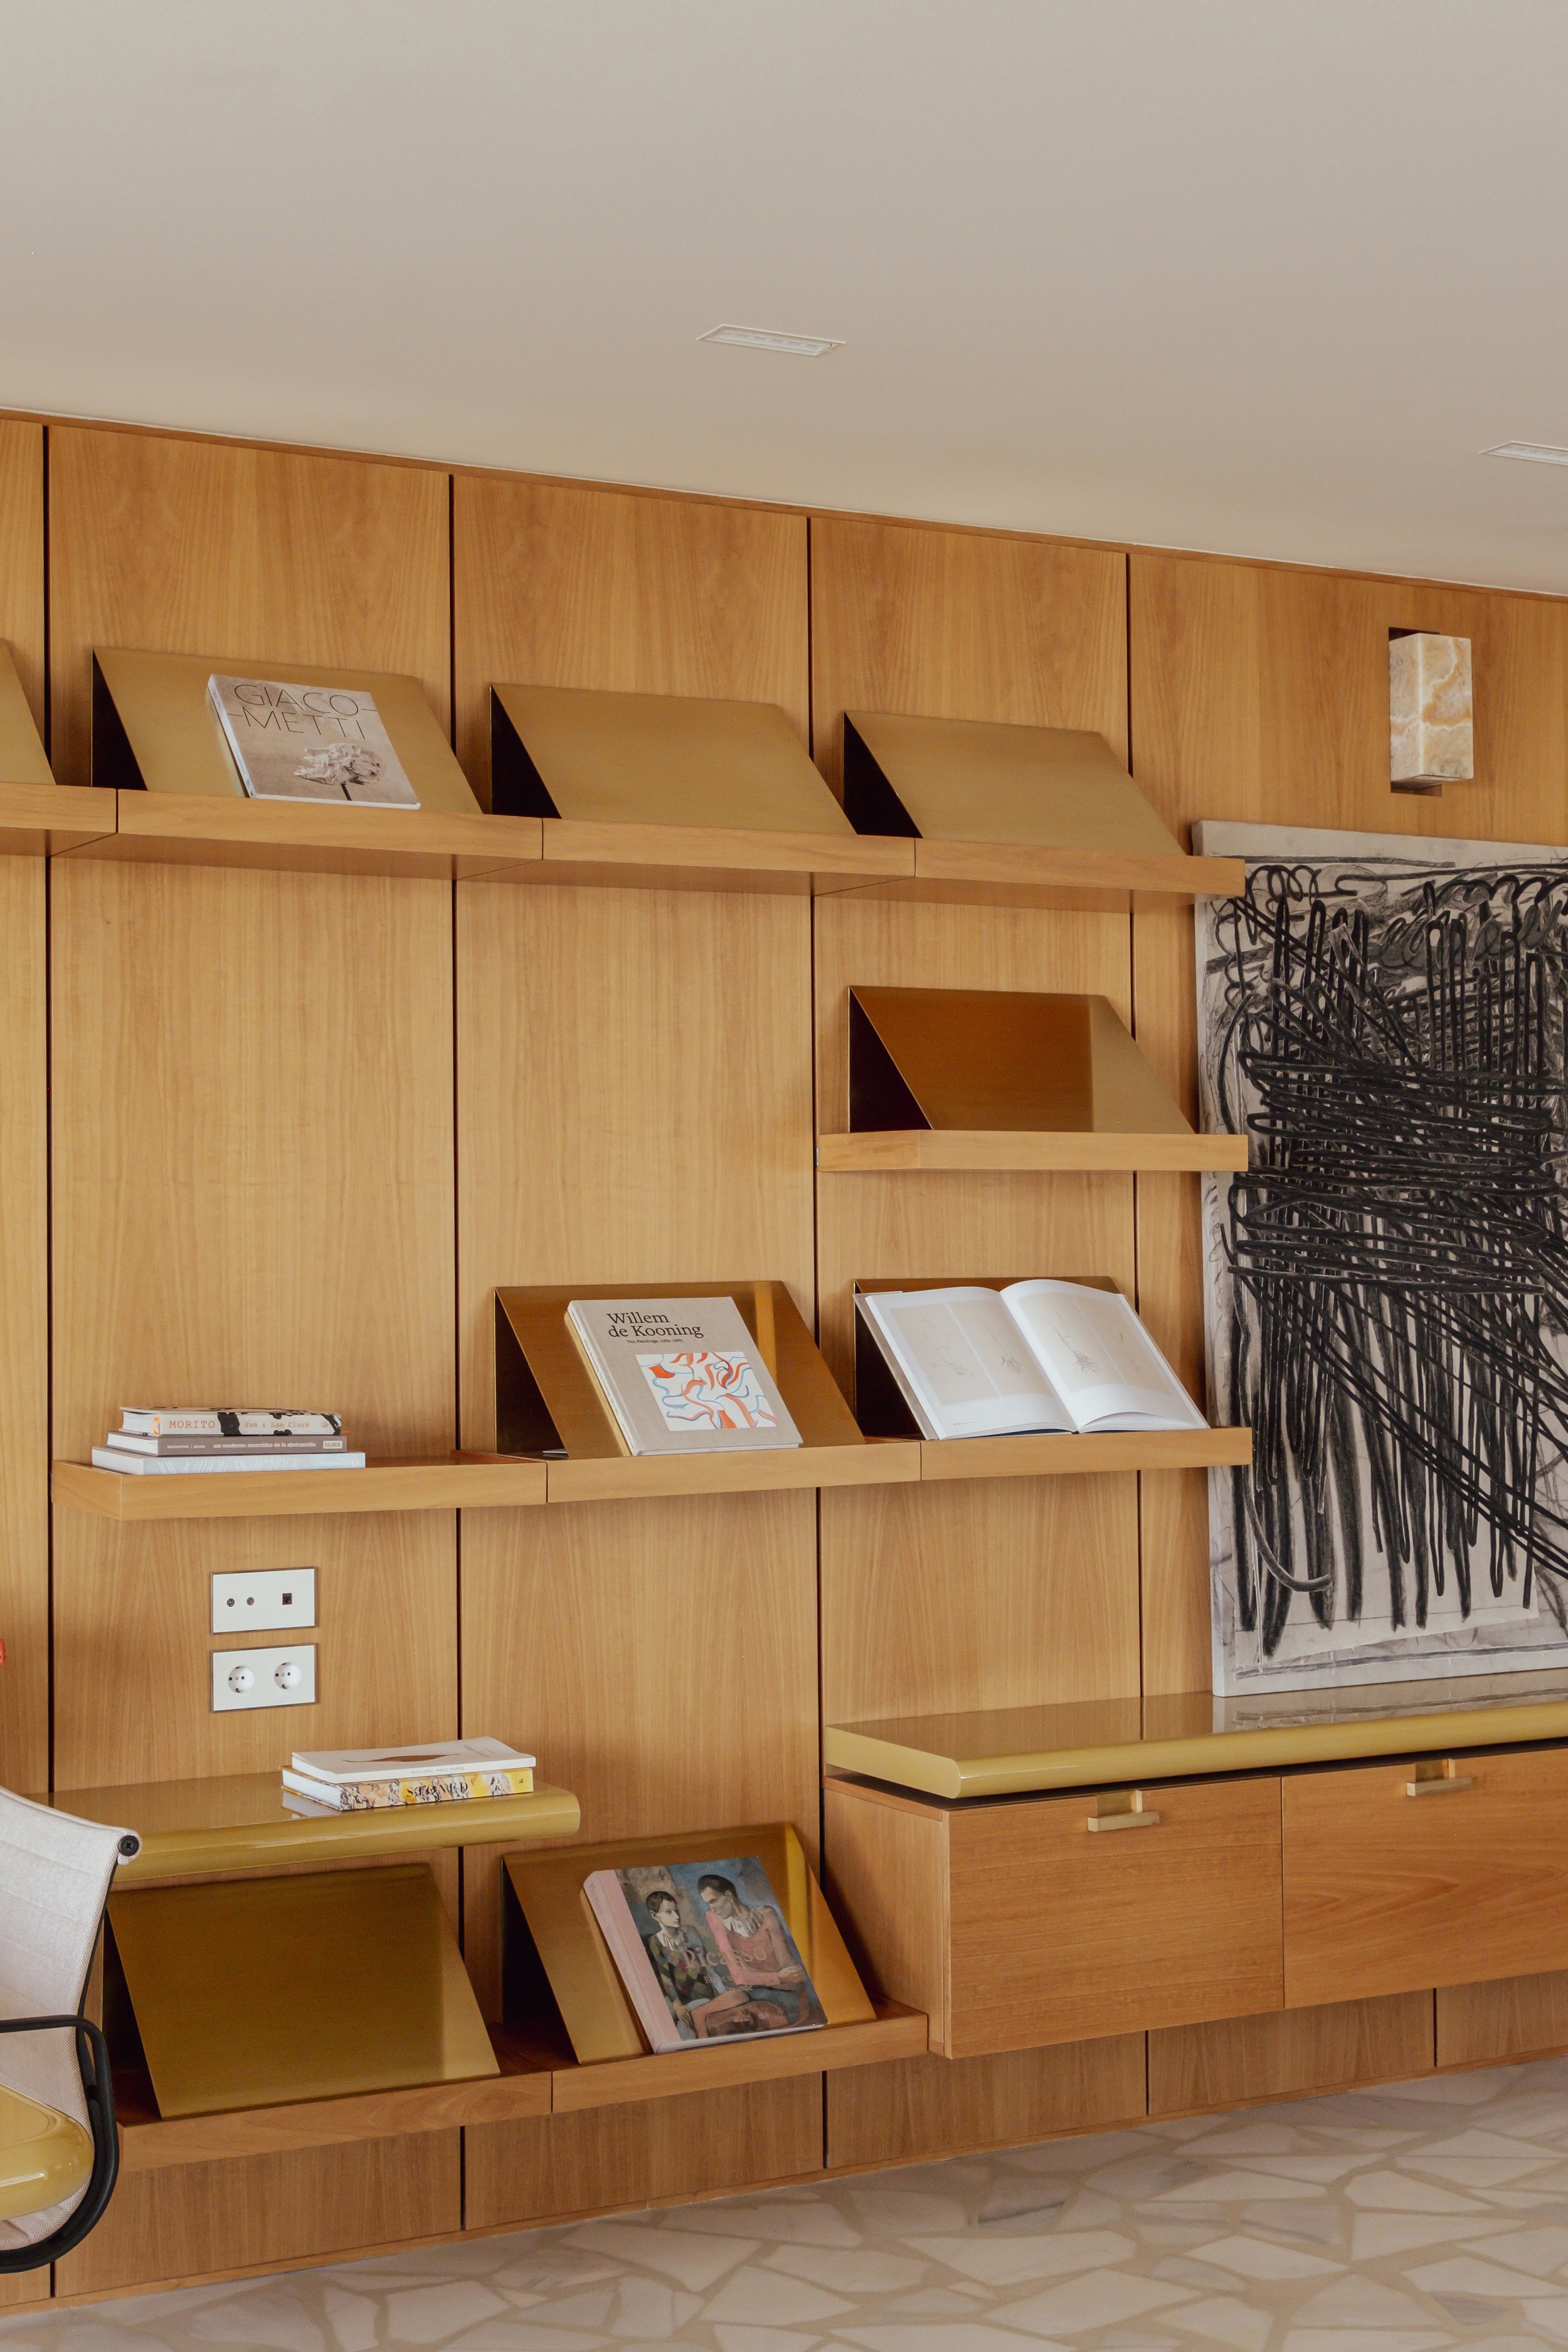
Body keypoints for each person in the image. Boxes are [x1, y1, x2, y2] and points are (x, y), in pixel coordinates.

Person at [696, 1872, 812, 2026]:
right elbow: (739, 1977)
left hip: (786, 1993)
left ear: (729, 1896)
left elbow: (792, 1972)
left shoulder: (767, 1915)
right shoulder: (715, 1919)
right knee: (705, 2017)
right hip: (753, 1990)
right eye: (708, 1903)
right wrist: (777, 1976)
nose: (713, 1908)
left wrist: (756, 1975)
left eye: (714, 1901)